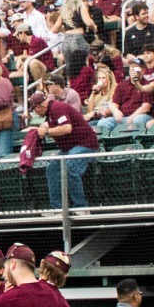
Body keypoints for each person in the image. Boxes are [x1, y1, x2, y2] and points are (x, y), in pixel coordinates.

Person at [32, 75, 98, 209]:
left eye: (34, 109)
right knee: (52, 170)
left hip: (84, 143)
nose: (34, 112)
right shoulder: (50, 112)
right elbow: (51, 124)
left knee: (70, 169)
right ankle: (57, 208)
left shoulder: (57, 107)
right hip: (70, 146)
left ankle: (81, 207)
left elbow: (67, 128)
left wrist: (47, 131)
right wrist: (43, 127)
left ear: (38, 107)